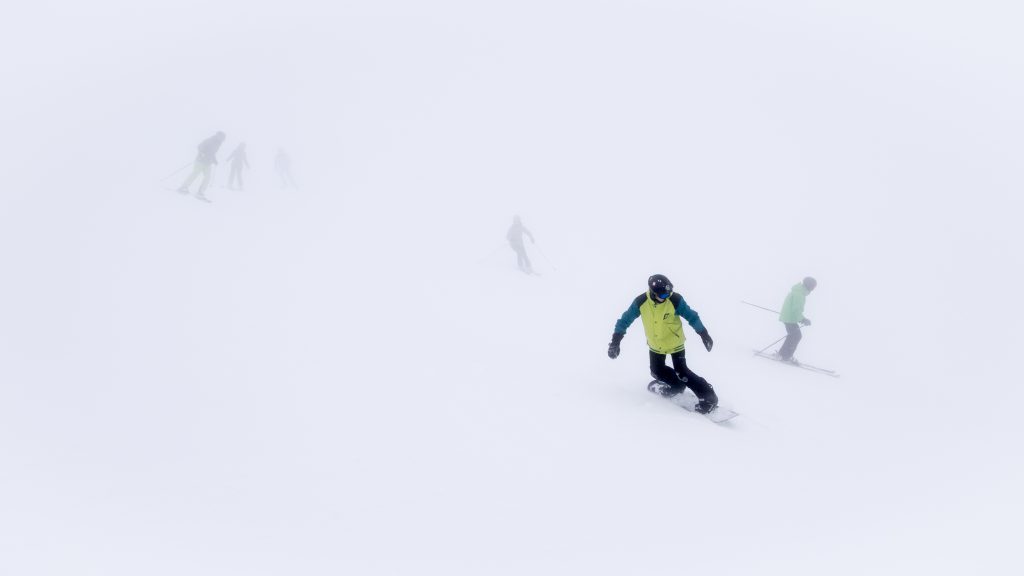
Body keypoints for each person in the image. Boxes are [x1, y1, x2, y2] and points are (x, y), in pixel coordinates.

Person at [607, 274, 719, 413]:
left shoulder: (675, 300)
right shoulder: (641, 302)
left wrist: (703, 333)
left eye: (669, 293)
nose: (667, 296)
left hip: (674, 342)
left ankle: (709, 398)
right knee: (656, 371)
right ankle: (677, 385)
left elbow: (692, 316)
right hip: (655, 344)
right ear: (653, 294)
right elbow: (624, 321)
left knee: (682, 372)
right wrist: (615, 342)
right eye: (664, 295)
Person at [776, 277, 817, 364]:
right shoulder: (799, 294)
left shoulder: (798, 291)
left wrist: (801, 318)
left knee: (793, 335)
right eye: (813, 287)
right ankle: (786, 356)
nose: (813, 289)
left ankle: (782, 354)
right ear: (809, 285)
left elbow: (795, 309)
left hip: (789, 317)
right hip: (790, 318)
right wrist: (803, 319)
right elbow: (796, 309)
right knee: (796, 336)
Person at [177, 131, 226, 200]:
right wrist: (202, 153)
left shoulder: (218, 144)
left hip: (208, 163)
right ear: (218, 136)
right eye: (222, 138)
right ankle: (184, 187)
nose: (223, 140)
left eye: (223, 139)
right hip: (200, 161)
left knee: (207, 177)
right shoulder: (210, 140)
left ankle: (200, 192)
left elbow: (212, 153)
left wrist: (214, 160)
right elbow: (199, 146)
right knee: (195, 174)